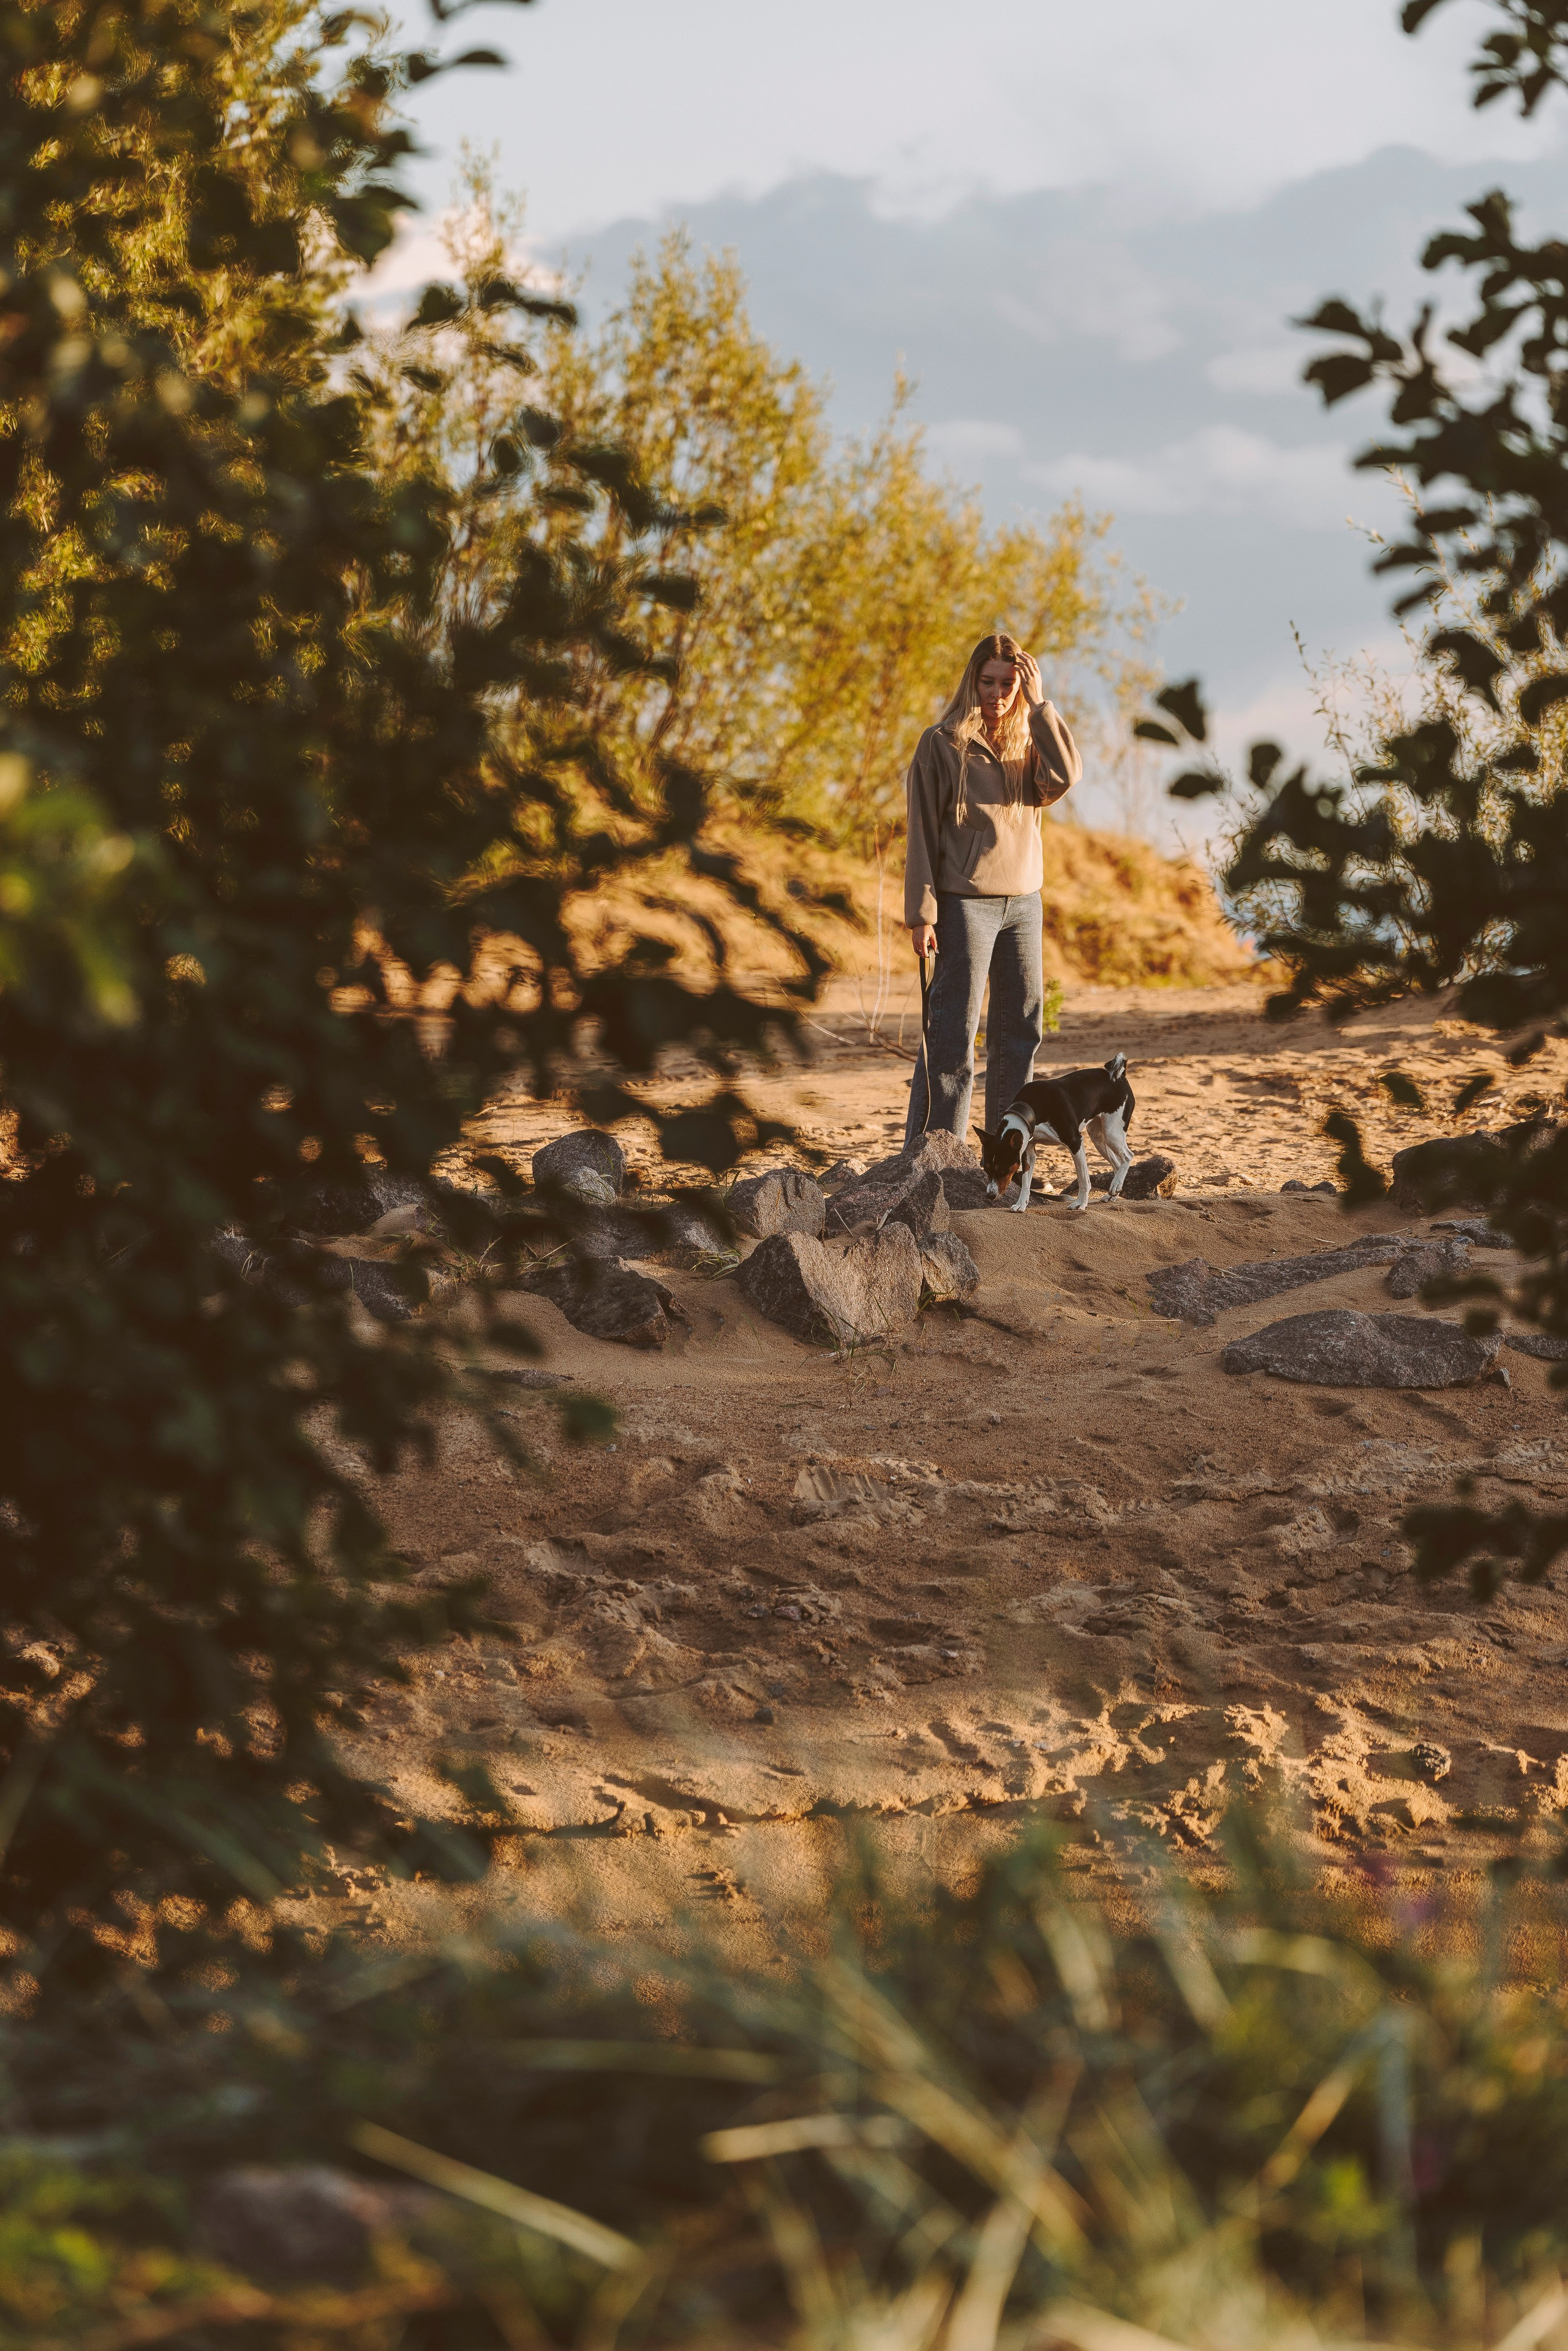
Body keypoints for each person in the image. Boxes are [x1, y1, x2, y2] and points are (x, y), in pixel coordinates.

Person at [903, 630, 1082, 1144]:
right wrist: (922, 915)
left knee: (1021, 1034)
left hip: (1025, 904)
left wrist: (1042, 704)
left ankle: (1006, 1155)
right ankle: (934, 1159)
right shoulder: (940, 744)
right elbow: (921, 834)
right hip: (963, 908)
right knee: (952, 1038)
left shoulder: (1030, 744)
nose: (998, 695)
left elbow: (1066, 776)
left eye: (1009, 685)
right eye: (988, 682)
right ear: (972, 681)